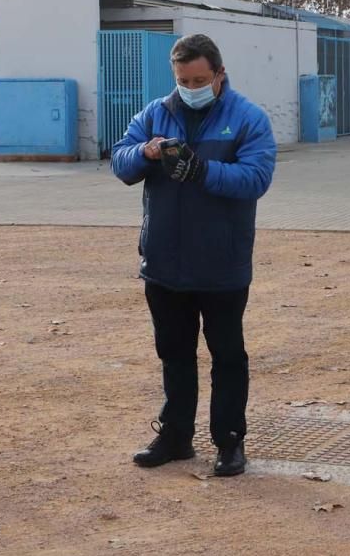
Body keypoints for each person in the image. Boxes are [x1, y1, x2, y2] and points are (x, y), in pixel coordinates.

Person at [111, 34, 276, 478]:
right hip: (164, 262)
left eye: (200, 79)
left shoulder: (248, 119)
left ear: (219, 75)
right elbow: (120, 160)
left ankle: (229, 441)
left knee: (227, 355)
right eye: (184, 79)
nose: (191, 86)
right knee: (174, 353)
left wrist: (202, 170)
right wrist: (146, 153)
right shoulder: (156, 113)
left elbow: (256, 178)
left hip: (222, 263)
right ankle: (175, 436)